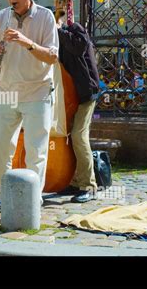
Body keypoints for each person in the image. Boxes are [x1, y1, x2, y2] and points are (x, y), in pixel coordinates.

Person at [0, 0, 59, 216]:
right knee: (1, 147)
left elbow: (53, 56)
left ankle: (33, 198)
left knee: (37, 150)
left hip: (37, 90)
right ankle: (1, 196)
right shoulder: (0, 17)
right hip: (6, 90)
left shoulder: (46, 17)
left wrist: (26, 42)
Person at [57, 18, 100, 203]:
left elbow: (79, 47)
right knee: (70, 137)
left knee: (78, 137)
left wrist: (59, 29)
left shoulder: (75, 29)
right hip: (72, 96)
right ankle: (76, 181)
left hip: (86, 93)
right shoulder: (58, 38)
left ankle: (88, 186)